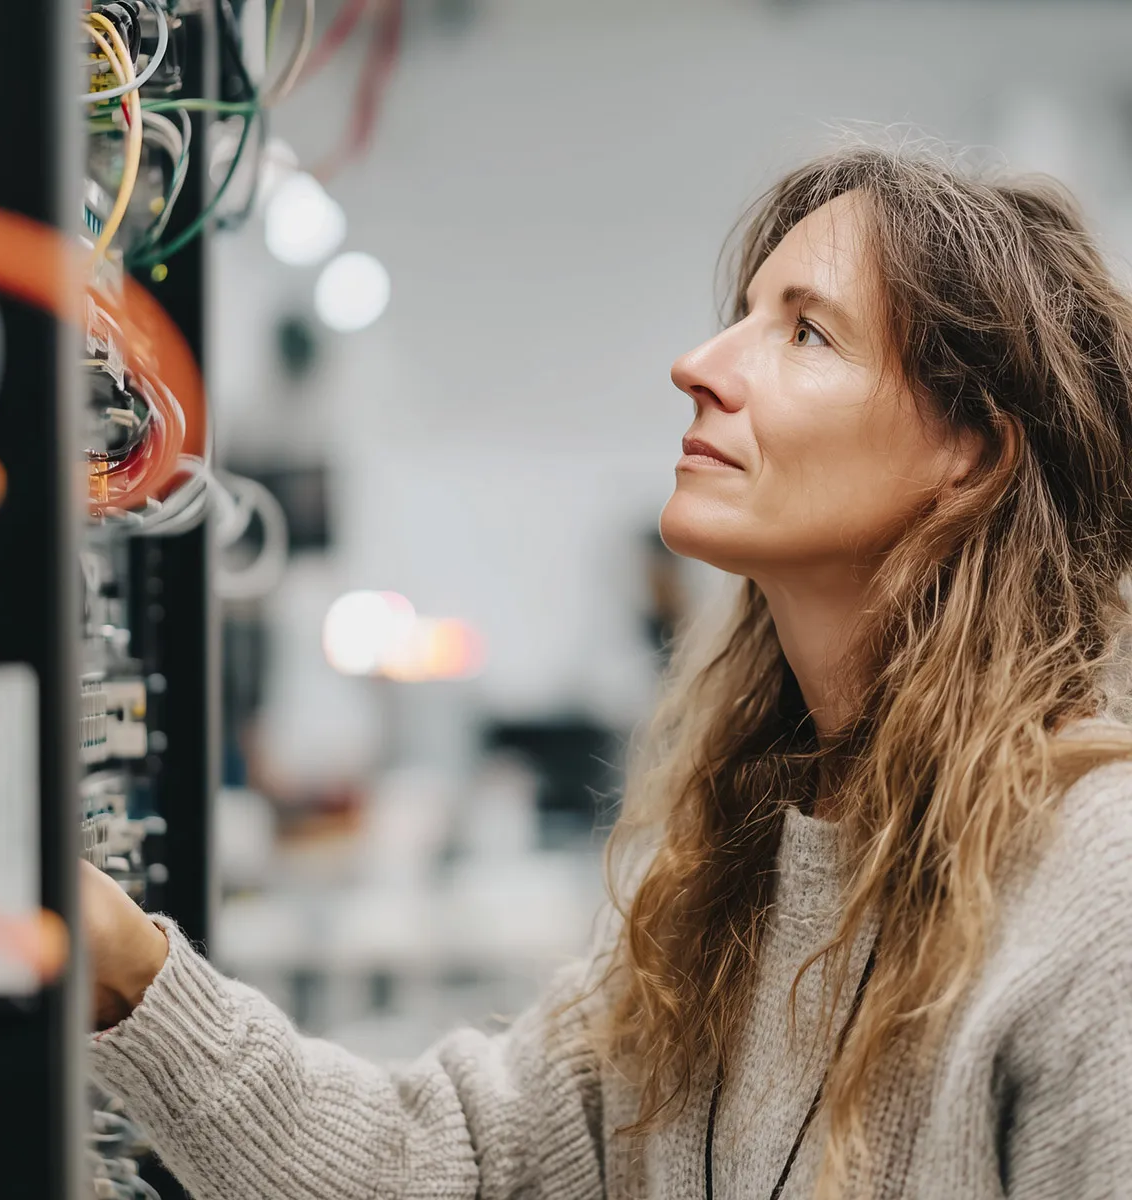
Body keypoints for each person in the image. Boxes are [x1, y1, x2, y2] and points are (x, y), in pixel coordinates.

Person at [82, 144, 1132, 1199]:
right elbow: (455, 1166)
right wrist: (132, 973)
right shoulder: (732, 875)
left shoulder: (1094, 886)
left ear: (971, 453)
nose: (699, 364)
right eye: (744, 314)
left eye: (807, 331)